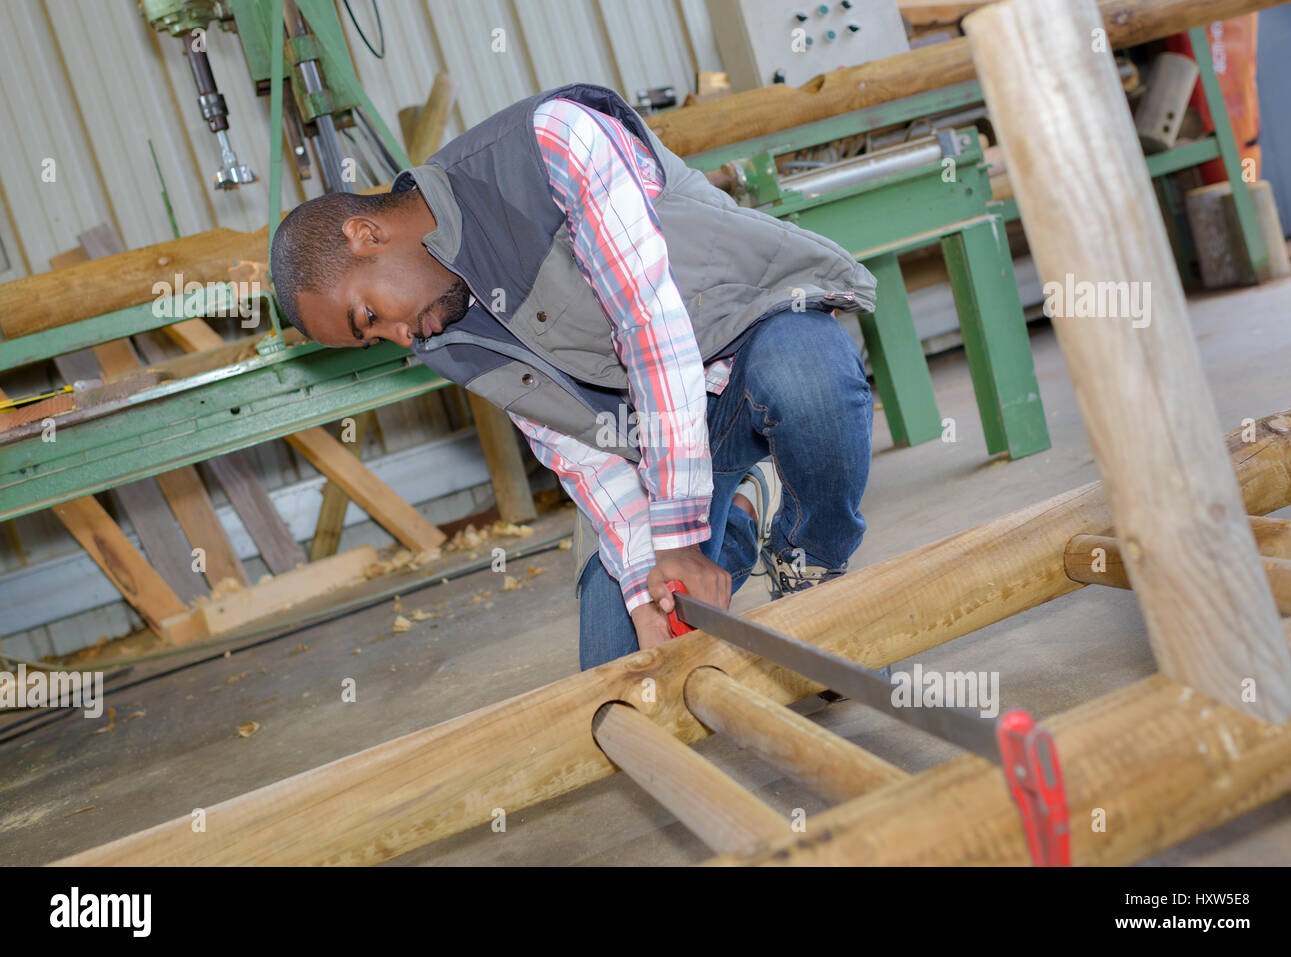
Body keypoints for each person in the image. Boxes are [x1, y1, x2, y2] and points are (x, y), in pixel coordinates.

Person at [269, 83, 877, 670]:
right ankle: (741, 511)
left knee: (808, 379)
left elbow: (651, 330)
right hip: (655, 444)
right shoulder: (441, 328)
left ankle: (810, 558)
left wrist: (677, 539)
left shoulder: (551, 142)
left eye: (369, 317)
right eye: (372, 339)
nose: (399, 338)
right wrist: (650, 585)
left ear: (366, 234)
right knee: (626, 664)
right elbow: (582, 451)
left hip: (748, 340)